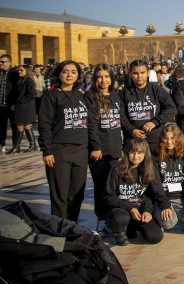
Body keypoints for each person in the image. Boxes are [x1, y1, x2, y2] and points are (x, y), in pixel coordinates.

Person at [39, 60, 89, 221]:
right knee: (60, 195)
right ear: (58, 74)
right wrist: (46, 150)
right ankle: (59, 230)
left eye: (73, 72)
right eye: (65, 71)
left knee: (76, 195)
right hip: (59, 151)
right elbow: (44, 124)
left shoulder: (80, 95)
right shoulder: (51, 95)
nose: (69, 75)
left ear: (78, 75)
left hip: (80, 151)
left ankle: (71, 227)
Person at [104, 138, 168, 246]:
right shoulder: (116, 169)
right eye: (132, 152)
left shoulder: (147, 170)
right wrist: (130, 208)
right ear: (127, 152)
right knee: (120, 217)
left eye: (140, 153)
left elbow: (147, 195)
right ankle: (117, 231)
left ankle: (133, 227)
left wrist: (147, 210)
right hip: (120, 209)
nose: (136, 156)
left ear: (145, 154)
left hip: (139, 210)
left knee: (155, 237)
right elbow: (108, 197)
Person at [85, 64, 124, 233]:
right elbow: (91, 124)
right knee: (101, 186)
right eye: (100, 77)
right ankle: (101, 218)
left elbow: (121, 120)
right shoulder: (90, 96)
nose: (103, 80)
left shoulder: (115, 96)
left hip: (115, 149)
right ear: (95, 79)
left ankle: (114, 220)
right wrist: (95, 146)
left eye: (106, 76)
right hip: (99, 150)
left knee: (114, 187)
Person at [120, 60, 177, 151]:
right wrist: (131, 130)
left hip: (155, 141)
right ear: (130, 74)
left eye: (142, 73)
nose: (139, 76)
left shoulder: (157, 90)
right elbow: (120, 115)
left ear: (148, 73)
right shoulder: (124, 93)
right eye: (135, 73)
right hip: (133, 142)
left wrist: (155, 122)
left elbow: (171, 109)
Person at [154, 123, 184, 233]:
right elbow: (156, 186)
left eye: (172, 138)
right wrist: (164, 205)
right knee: (168, 223)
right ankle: (158, 216)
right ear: (162, 139)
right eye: (166, 138)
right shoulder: (156, 157)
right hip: (162, 199)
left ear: (178, 139)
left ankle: (176, 215)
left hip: (180, 199)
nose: (169, 142)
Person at [8, 65, 36, 153]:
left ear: (26, 70)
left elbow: (32, 94)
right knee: (26, 126)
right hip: (23, 106)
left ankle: (17, 147)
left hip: (25, 107)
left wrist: (19, 101)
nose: (19, 71)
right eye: (18, 70)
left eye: (21, 70)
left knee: (20, 126)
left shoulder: (28, 80)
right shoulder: (22, 80)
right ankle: (32, 145)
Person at [0, 54, 13, 154]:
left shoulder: (14, 73)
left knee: (14, 125)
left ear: (9, 62)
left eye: (3, 62)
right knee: (2, 126)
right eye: (0, 62)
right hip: (1, 104)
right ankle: (3, 144)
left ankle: (15, 145)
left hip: (11, 104)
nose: (1, 63)